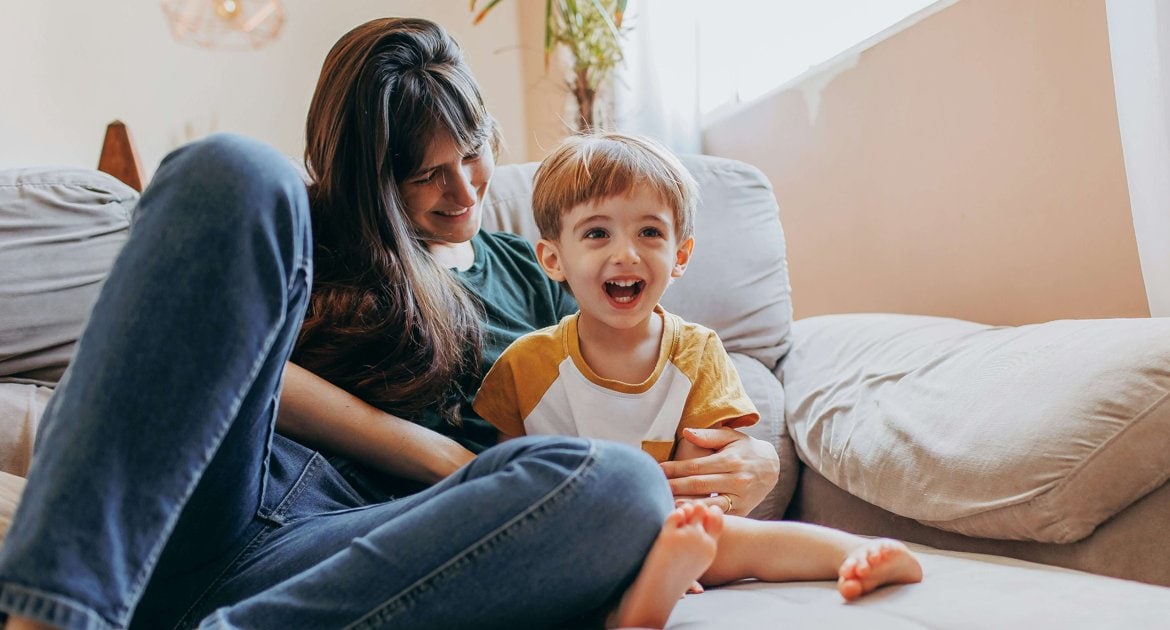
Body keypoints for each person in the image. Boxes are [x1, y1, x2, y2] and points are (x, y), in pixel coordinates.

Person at [0, 18, 779, 630]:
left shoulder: (541, 270)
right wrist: (436, 453)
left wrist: (756, 460)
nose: (464, 191)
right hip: (232, 496)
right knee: (233, 167)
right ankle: (52, 617)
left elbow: (650, 387)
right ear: (369, 178)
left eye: (472, 153)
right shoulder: (304, 234)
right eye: (423, 174)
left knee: (622, 486)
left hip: (389, 554)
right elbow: (183, 364)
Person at [474, 132, 924, 628]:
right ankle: (640, 596)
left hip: (671, 526)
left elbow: (702, 476)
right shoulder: (525, 363)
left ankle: (857, 551)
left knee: (732, 538)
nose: (626, 254)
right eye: (597, 233)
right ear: (553, 259)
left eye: (649, 233)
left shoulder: (696, 351)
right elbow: (506, 476)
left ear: (681, 255)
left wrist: (680, 531)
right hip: (571, 538)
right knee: (539, 560)